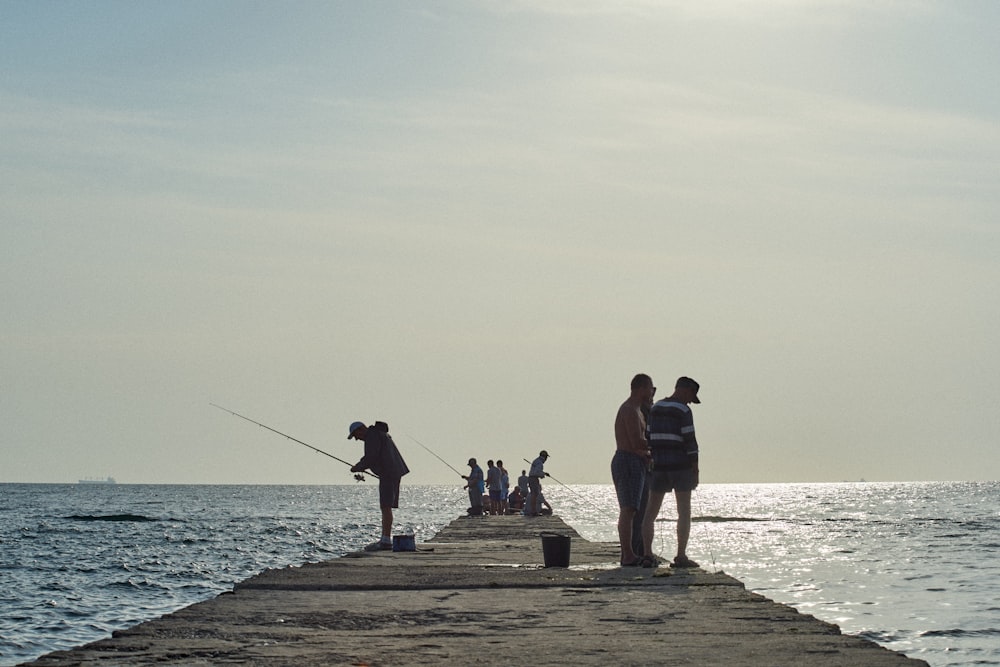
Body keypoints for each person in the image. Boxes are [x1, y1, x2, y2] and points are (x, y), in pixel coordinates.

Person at [641, 377, 702, 568]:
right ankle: (681, 556)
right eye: (692, 396)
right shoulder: (683, 410)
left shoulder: (656, 407)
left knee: (650, 512)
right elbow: (690, 441)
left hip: (658, 466)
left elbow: (648, 436)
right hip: (681, 466)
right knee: (684, 511)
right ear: (685, 391)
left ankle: (647, 554)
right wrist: (695, 468)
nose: (691, 401)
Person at [348, 420, 410, 551]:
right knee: (386, 506)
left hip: (389, 473)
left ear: (360, 429)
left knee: (385, 505)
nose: (357, 439)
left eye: (356, 435)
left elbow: (371, 457)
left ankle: (385, 540)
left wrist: (357, 467)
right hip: (392, 471)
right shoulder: (379, 434)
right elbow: (374, 457)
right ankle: (385, 538)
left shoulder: (372, 436)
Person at [612, 373, 655, 566]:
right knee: (628, 509)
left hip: (636, 462)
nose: (652, 392)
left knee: (637, 510)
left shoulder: (639, 410)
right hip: (627, 461)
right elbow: (635, 441)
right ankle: (627, 554)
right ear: (641, 388)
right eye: (650, 388)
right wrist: (658, 443)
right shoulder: (629, 409)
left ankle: (633, 552)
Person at [526, 450, 549, 516]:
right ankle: (533, 511)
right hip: (534, 479)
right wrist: (542, 475)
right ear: (544, 457)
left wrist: (544, 473)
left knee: (534, 494)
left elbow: (536, 471)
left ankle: (533, 510)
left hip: (532, 478)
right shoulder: (540, 463)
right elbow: (536, 472)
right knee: (534, 494)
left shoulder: (536, 461)